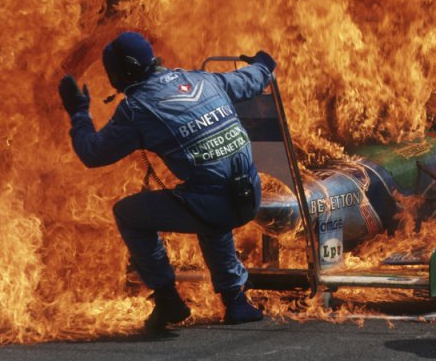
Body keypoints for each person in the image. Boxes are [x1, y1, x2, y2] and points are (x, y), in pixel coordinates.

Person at [57, 31, 276, 331]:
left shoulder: (137, 110)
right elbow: (252, 79)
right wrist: (264, 63)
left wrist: (79, 113)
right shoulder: (202, 80)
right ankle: (236, 302)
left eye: (112, 74)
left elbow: (93, 153)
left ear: (125, 72)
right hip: (251, 194)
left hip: (217, 205)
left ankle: (167, 297)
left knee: (128, 213)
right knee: (205, 190)